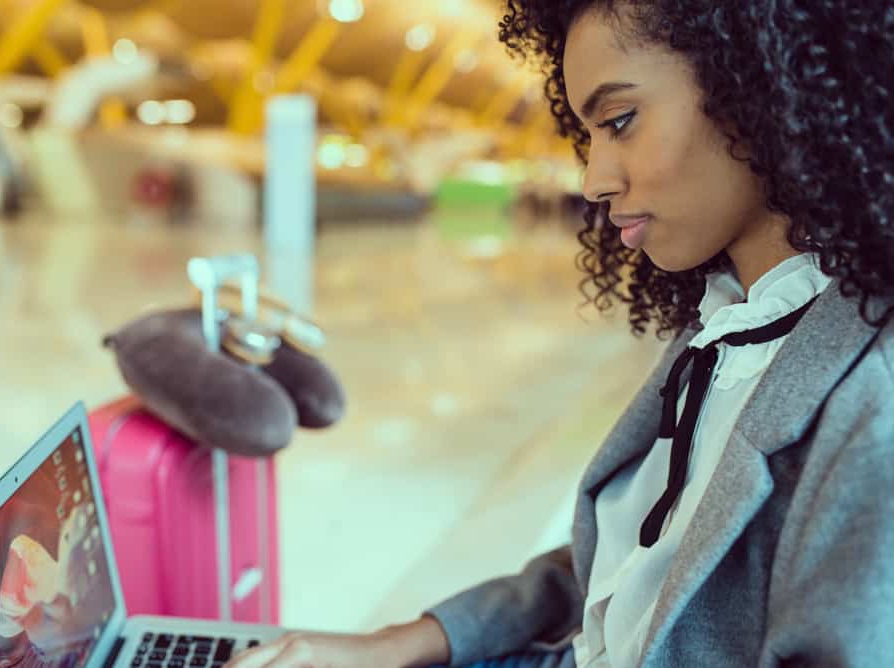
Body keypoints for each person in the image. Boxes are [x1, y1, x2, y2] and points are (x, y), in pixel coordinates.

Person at [225, 0, 894, 666]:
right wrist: (401, 644)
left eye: (622, 120)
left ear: (757, 86)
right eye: (590, 135)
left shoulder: (873, 399)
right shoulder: (729, 325)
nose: (595, 180)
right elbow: (635, 569)